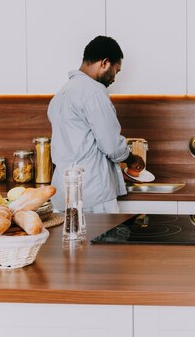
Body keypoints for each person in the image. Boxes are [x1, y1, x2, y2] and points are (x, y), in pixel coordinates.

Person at [47, 35, 145, 213]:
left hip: (63, 194)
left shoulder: (60, 95)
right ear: (105, 63)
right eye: (117, 70)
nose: (115, 78)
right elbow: (112, 146)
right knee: (103, 241)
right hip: (92, 196)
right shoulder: (93, 92)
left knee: (71, 241)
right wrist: (131, 158)